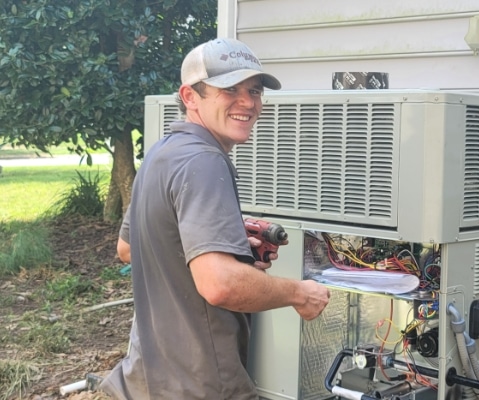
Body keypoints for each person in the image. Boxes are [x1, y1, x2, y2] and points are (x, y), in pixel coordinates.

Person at [100, 38, 331, 399]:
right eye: (229, 89)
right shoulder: (204, 161)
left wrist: (217, 237)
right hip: (201, 384)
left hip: (148, 378)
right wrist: (299, 292)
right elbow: (219, 284)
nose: (248, 102)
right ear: (190, 97)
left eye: (254, 90)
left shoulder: (163, 153)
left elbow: (129, 247)